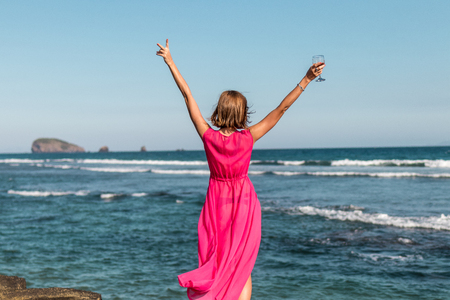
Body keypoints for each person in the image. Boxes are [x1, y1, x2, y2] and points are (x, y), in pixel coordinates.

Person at [156, 39, 324, 300]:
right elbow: (282, 108)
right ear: (243, 113)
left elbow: (187, 94)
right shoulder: (249, 137)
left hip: (216, 206)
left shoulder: (207, 136)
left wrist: (170, 61)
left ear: (219, 110)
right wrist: (306, 79)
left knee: (217, 258)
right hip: (245, 205)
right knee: (242, 264)